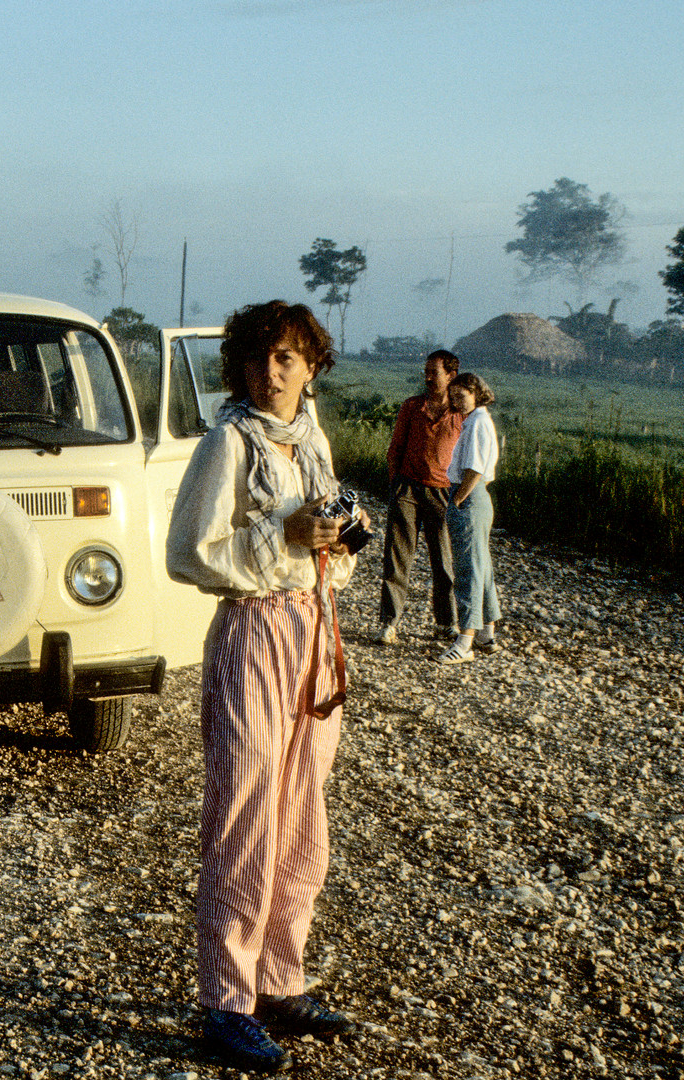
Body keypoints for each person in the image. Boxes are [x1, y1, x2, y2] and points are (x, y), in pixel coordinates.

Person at [166, 300, 363, 1074]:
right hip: (252, 632)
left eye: (285, 358)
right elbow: (189, 552)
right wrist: (278, 536)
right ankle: (225, 1000)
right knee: (245, 813)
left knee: (302, 810)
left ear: (311, 365)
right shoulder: (228, 442)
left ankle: (280, 977)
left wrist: (342, 529)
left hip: (314, 627)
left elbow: (331, 517)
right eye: (256, 359)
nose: (270, 372)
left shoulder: (308, 437)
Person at [375, 349, 463, 644]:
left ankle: (446, 622)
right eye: (425, 371)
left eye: (433, 372)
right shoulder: (412, 406)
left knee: (444, 561)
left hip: (443, 492)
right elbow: (395, 448)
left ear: (451, 375)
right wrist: (395, 486)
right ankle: (389, 622)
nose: (427, 377)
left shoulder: (461, 413)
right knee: (397, 557)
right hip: (407, 488)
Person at [438, 371, 502, 664]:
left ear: (476, 393)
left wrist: (459, 499)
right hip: (476, 498)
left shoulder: (477, 422)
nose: (457, 402)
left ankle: (465, 639)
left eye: (462, 396)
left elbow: (474, 469)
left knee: (468, 569)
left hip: (469, 496)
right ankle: (487, 633)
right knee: (482, 565)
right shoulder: (476, 421)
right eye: (453, 397)